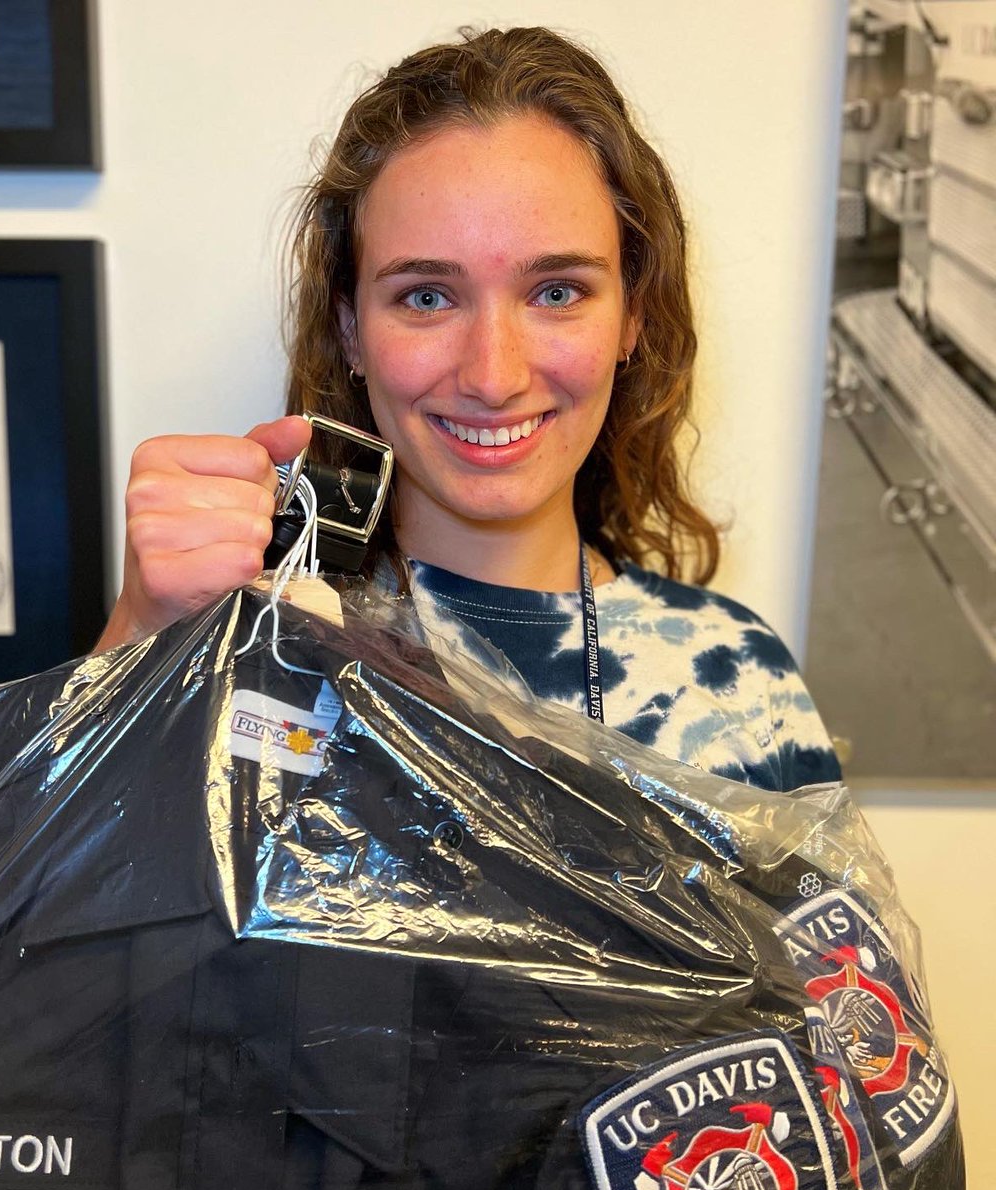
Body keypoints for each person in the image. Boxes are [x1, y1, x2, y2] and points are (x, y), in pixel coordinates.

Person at [96, 26, 840, 792]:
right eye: (426, 297)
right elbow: (22, 894)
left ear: (633, 319)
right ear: (350, 328)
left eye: (557, 293)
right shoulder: (249, 640)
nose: (494, 375)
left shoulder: (740, 681)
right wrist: (138, 640)